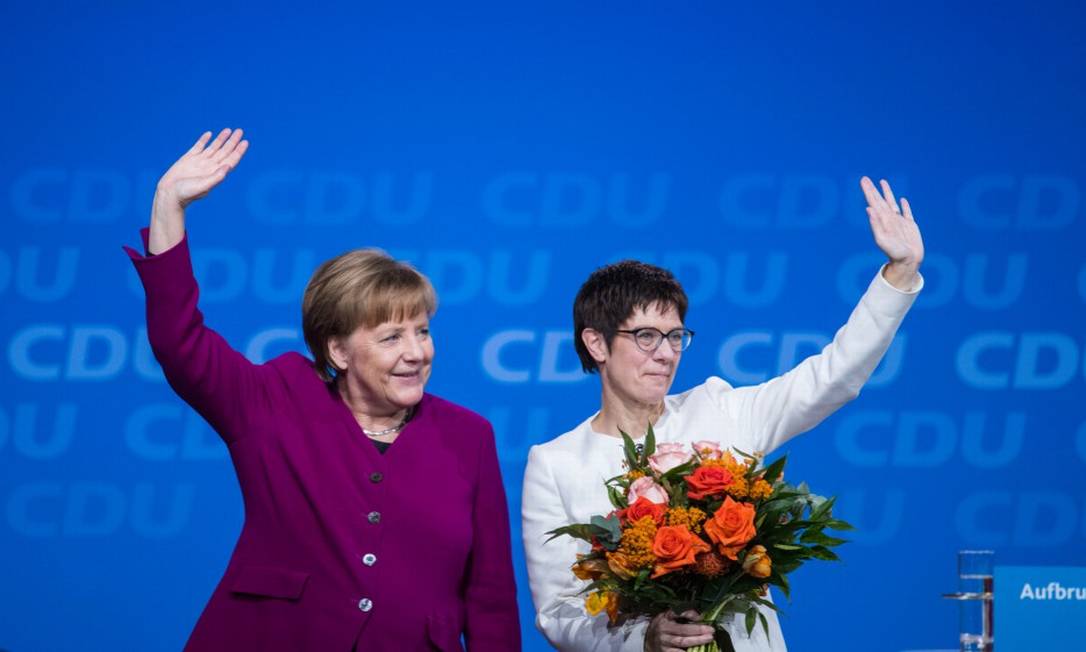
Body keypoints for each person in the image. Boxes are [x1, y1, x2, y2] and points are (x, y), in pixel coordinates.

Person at [125, 129, 520, 651]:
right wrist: (169, 206)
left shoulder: (468, 436)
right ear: (338, 351)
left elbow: (488, 594)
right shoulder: (273, 401)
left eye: (422, 331)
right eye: (391, 337)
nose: (416, 352)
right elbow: (180, 343)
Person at [521, 178, 924, 652]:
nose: (666, 354)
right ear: (596, 343)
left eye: (675, 337)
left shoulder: (719, 409)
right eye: (646, 336)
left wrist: (899, 273)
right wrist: (643, 639)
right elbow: (560, 611)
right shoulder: (556, 463)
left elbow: (832, 377)